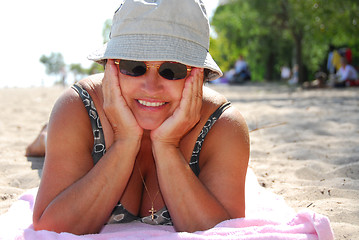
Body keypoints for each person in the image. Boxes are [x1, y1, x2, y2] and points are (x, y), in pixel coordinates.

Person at [31, 0, 250, 235]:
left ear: (200, 75)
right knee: (46, 144)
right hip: (70, 129)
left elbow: (225, 233)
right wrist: (125, 140)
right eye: (133, 66)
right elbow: (49, 227)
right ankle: (45, 137)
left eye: (172, 70)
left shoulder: (222, 126)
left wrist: (167, 146)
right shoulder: (80, 108)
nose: (151, 87)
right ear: (110, 67)